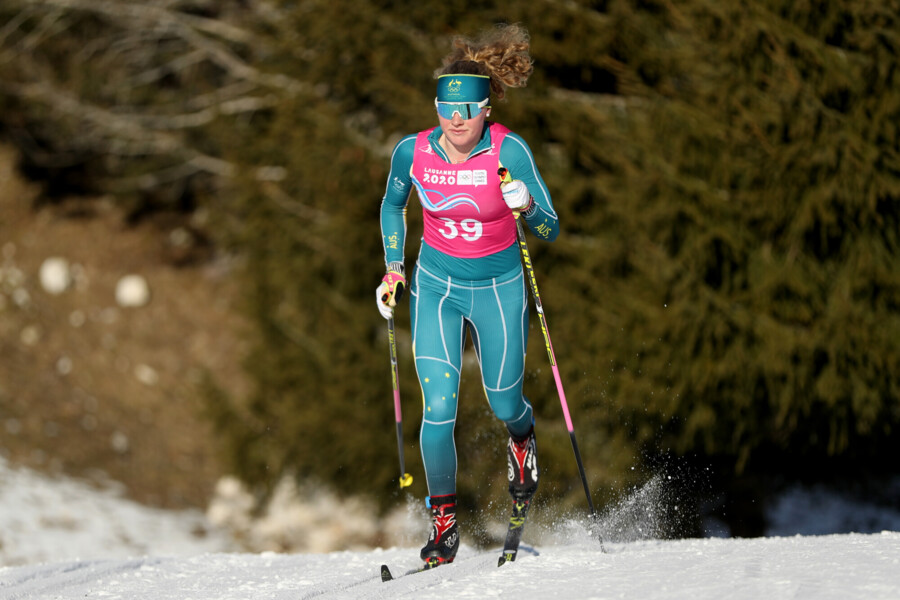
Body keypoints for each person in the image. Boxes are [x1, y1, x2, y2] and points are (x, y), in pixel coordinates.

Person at [375, 23, 559, 568]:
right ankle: (444, 523)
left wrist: (525, 203)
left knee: (504, 399)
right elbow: (392, 205)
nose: (455, 120)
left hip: (498, 287)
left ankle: (522, 439)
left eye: (467, 110)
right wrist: (392, 269)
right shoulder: (413, 151)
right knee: (438, 411)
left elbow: (549, 227)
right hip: (435, 287)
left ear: (485, 110)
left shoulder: (509, 151)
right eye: (445, 109)